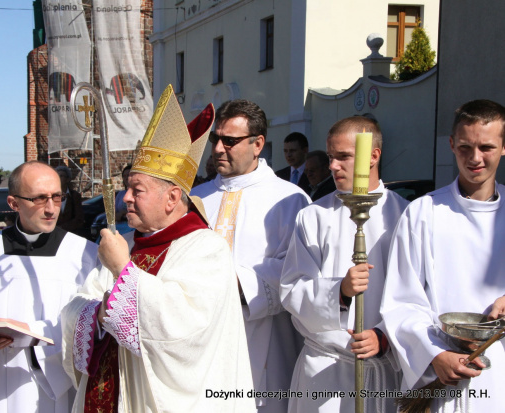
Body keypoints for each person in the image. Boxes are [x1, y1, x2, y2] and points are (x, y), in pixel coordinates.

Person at [61, 85, 254, 413]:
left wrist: (123, 272)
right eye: (126, 188)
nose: (126, 198)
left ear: (172, 198)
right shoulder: (132, 243)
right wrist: (95, 312)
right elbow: (78, 303)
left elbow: (185, 331)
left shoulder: (205, 248)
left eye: (137, 190)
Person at [0, 161, 98, 413]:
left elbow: (92, 323)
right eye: (39, 199)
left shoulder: (84, 254)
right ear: (13, 203)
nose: (51, 208)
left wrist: (34, 332)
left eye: (57, 197)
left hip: (57, 388)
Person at [380, 99, 505, 412]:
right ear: (451, 144)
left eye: (486, 147)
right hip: (448, 374)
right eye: (464, 147)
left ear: (504, 147)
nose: (475, 158)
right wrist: (434, 355)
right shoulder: (424, 212)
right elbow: (401, 300)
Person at [280, 116, 408, 413]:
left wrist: (385, 336)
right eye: (330, 157)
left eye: (344, 157)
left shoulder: (406, 216)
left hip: (383, 369)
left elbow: (420, 293)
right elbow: (292, 289)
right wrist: (339, 292)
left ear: (373, 155)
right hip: (325, 370)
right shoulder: (313, 217)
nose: (333, 166)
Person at [191, 99, 310, 412]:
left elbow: (298, 271)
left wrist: (237, 283)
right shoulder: (195, 200)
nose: (217, 149)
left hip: (264, 341)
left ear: (258, 144)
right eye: (216, 139)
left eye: (229, 141)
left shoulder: (289, 199)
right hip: (202, 337)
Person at [55, 165, 85, 233]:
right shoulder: (50, 195)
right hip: (53, 233)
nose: (58, 178)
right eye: (57, 176)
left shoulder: (74, 196)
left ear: (67, 179)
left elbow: (79, 218)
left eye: (61, 176)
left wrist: (62, 228)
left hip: (70, 233)